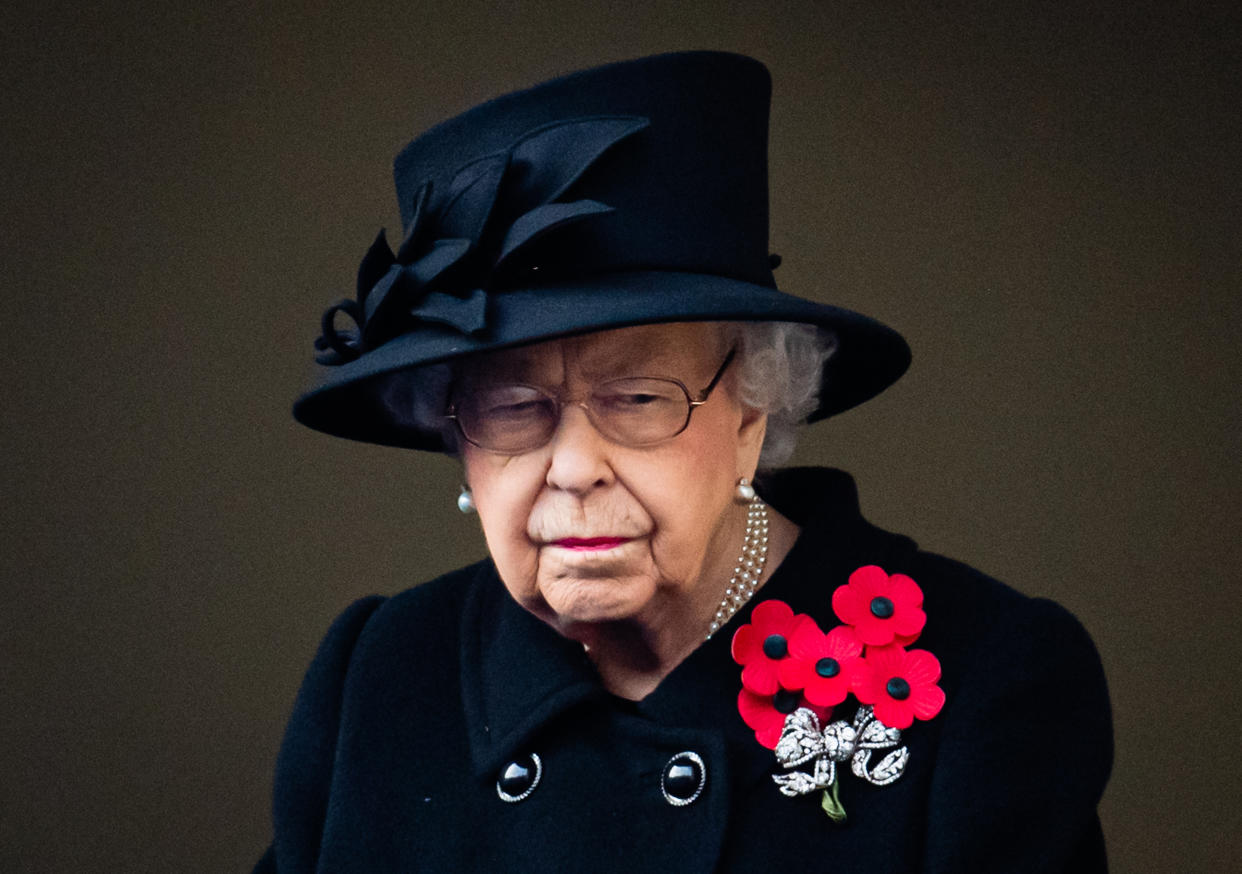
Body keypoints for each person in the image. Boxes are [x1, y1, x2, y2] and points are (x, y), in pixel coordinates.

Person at [254, 52, 1111, 872]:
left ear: (754, 408)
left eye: (637, 397)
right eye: (514, 408)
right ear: (457, 437)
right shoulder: (381, 673)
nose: (573, 467)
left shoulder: (990, 677)